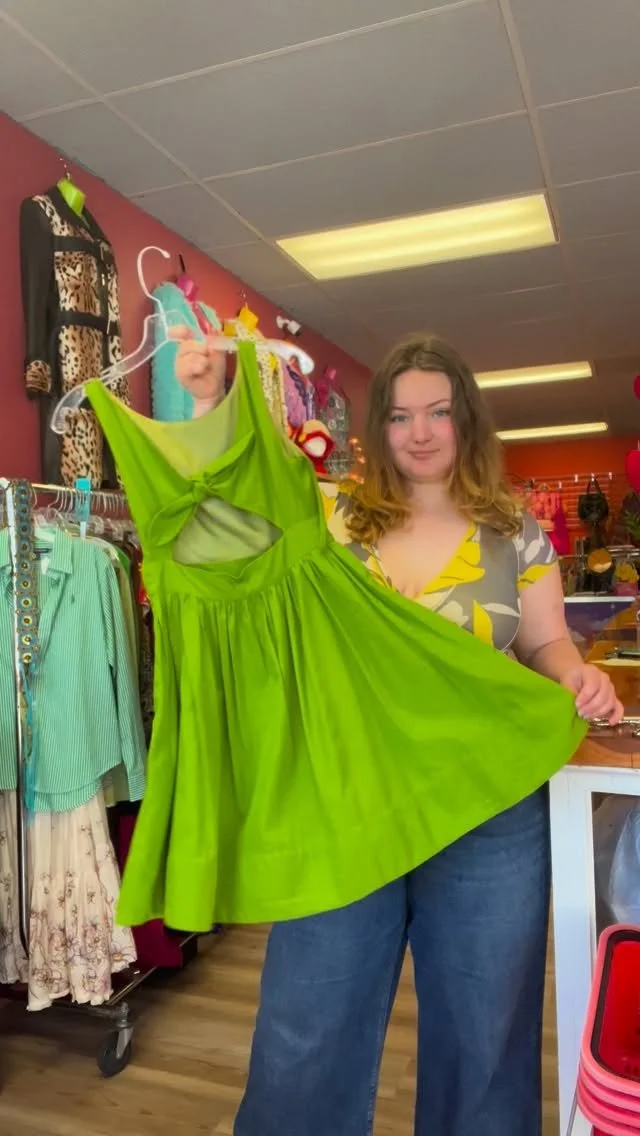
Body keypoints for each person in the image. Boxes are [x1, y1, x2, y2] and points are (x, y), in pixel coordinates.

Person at [173, 328, 622, 1136]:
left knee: (486, 1034)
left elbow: (546, 641)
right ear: (377, 426)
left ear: (466, 420)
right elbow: (227, 522)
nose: (420, 433)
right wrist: (211, 401)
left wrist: (575, 676)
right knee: (308, 1026)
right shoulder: (332, 523)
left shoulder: (514, 530)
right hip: (349, 801)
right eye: (401, 415)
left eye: (439, 412)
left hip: (486, 806)